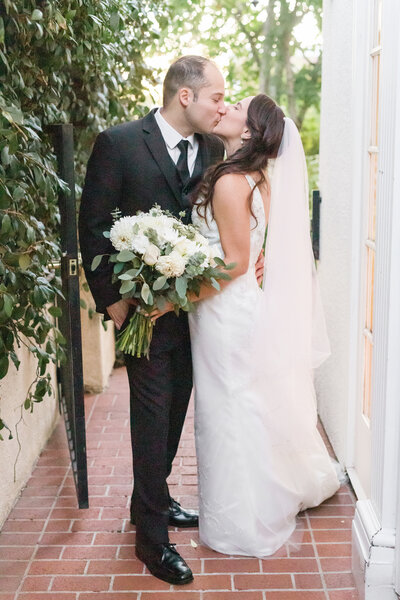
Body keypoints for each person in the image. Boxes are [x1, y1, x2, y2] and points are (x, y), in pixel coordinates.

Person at [151, 94, 340, 557]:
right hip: (230, 309)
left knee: (227, 411)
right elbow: (250, 253)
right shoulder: (252, 176)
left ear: (251, 131)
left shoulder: (233, 181)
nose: (225, 105)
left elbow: (234, 263)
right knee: (236, 407)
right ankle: (250, 500)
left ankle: (240, 520)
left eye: (235, 104)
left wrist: (171, 300)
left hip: (224, 313)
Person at [79, 56, 227, 585]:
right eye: (216, 95)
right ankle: (151, 540)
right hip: (143, 314)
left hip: (199, 315)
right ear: (184, 96)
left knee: (174, 411)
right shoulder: (117, 143)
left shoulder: (212, 149)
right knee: (150, 416)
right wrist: (114, 303)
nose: (221, 105)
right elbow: (94, 226)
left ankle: (155, 501)